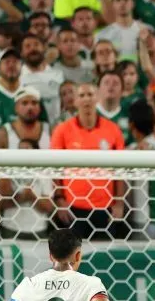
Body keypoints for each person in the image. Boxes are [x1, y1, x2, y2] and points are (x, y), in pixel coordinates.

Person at [49, 83, 126, 240]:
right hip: (72, 208)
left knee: (103, 259)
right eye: (82, 95)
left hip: (105, 207)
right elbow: (55, 167)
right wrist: (59, 199)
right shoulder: (62, 130)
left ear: (97, 98)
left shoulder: (113, 129)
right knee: (74, 258)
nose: (86, 99)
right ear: (75, 101)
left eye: (90, 95)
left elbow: (120, 169)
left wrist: (119, 202)